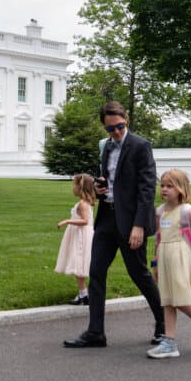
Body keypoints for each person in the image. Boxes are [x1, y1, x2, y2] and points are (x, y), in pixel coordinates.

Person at [64, 102, 165, 350]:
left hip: (131, 222)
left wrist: (139, 225)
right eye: (111, 129)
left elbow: (146, 189)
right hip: (107, 218)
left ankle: (164, 325)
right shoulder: (107, 147)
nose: (116, 132)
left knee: (139, 274)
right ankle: (96, 332)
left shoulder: (141, 146)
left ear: (126, 121)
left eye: (120, 126)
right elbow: (110, 181)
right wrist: (99, 189)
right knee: (96, 272)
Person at [146, 169, 191, 359]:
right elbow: (158, 239)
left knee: (181, 299)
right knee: (168, 300)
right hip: (165, 258)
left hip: (181, 258)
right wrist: (155, 264)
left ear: (181, 189)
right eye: (162, 185)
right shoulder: (160, 211)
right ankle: (170, 342)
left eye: (170, 186)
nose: (164, 190)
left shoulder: (187, 211)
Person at [55, 173, 96, 305]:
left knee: (78, 264)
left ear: (81, 188)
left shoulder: (82, 204)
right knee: (79, 265)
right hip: (82, 235)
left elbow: (84, 221)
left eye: (74, 185)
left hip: (80, 237)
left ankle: (84, 294)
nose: (72, 188)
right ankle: (83, 293)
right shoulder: (85, 203)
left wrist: (67, 221)